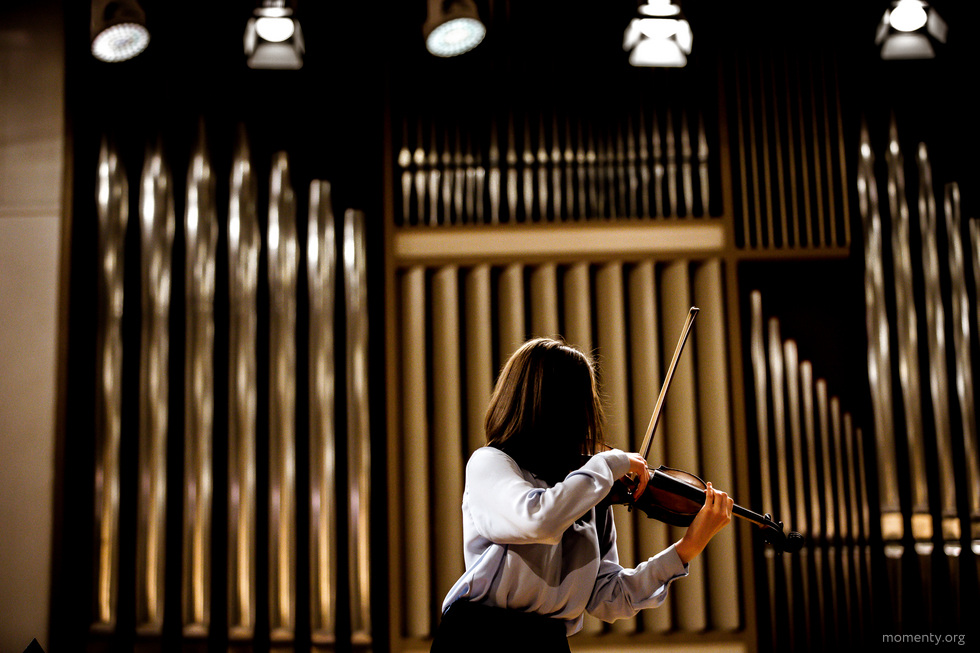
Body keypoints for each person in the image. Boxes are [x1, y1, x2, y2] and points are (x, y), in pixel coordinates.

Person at [430, 337, 733, 652]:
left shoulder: (589, 490)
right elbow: (537, 520)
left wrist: (687, 548)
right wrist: (609, 463)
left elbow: (610, 598)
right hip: (480, 636)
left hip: (547, 642)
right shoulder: (491, 463)